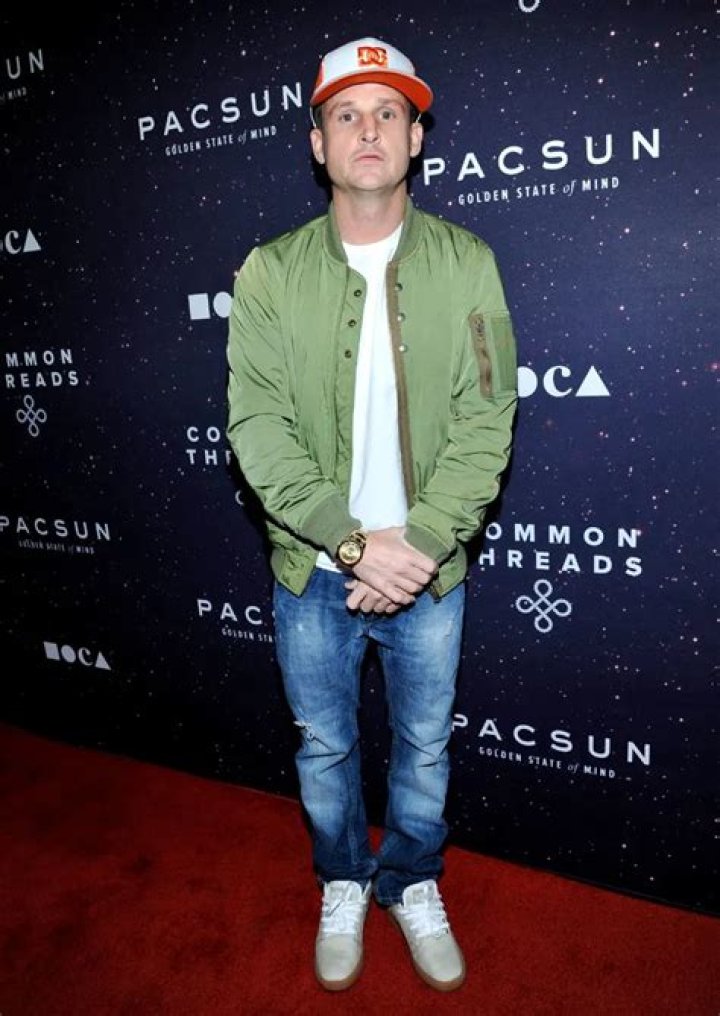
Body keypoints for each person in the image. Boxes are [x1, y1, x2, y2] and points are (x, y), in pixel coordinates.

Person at [226, 36, 518, 993]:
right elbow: (257, 427)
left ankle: (413, 879)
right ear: (317, 143)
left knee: (425, 748)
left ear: (415, 137)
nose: (367, 130)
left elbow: (488, 418)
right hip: (314, 570)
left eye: (388, 112)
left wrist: (418, 545)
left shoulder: (469, 263)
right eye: (345, 114)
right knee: (326, 747)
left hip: (430, 572)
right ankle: (345, 880)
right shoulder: (269, 273)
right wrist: (354, 544)